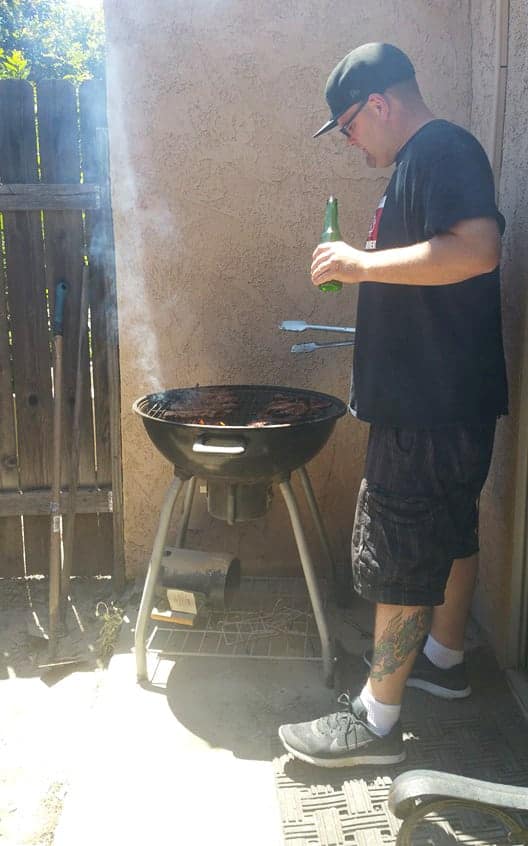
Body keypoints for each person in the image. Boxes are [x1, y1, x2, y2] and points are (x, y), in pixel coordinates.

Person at [278, 42, 508, 768]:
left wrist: (358, 264)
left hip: (424, 408)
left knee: (400, 556)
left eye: (347, 126)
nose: (349, 142)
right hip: (447, 402)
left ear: (380, 104)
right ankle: (443, 658)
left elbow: (477, 249)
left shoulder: (441, 149)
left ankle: (375, 723)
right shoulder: (420, 163)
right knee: (450, 532)